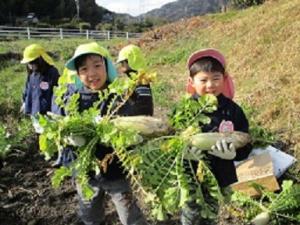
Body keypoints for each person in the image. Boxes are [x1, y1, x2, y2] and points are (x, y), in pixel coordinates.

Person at [52, 42, 149, 225]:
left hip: (115, 170)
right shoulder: (72, 100)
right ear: (78, 74)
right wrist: (68, 138)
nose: (92, 73)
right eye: (84, 69)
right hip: (86, 173)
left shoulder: (120, 96)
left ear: (107, 66)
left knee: (130, 215)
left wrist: (129, 136)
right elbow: (59, 126)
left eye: (97, 66)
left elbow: (132, 122)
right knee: (90, 214)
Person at [182, 48, 252, 225]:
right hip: (191, 176)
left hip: (218, 176)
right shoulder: (185, 110)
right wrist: (184, 152)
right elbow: (172, 141)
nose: (210, 85)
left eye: (216, 79)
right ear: (192, 81)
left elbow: (245, 142)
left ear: (224, 78)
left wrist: (234, 154)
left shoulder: (233, 110)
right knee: (190, 214)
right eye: (203, 80)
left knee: (210, 213)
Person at [20, 44, 60, 116]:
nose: (30, 65)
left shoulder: (52, 72)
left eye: (32, 62)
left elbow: (59, 91)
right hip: (34, 112)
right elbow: (27, 90)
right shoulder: (32, 75)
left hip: (48, 113)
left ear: (40, 59)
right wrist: (24, 102)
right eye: (28, 63)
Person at [116, 44, 154, 116]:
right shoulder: (134, 80)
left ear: (130, 61)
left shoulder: (141, 82)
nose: (121, 66)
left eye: (122, 63)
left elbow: (144, 108)